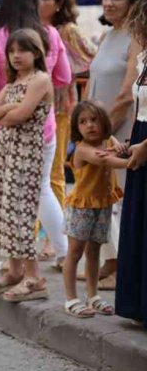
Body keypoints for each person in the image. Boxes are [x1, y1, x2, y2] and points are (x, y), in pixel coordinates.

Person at [0, 0, 71, 269]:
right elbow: (64, 77)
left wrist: (5, 100)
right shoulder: (50, 34)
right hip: (45, 127)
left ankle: (13, 258)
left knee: (10, 191)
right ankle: (63, 252)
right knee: (42, 189)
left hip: (3, 131)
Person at [0, 28, 54, 302]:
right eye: (11, 51)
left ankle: (34, 277)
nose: (16, 56)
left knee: (21, 213)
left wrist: (5, 113)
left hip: (26, 155)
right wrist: (6, 112)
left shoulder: (40, 80)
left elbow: (22, 115)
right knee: (5, 212)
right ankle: (14, 271)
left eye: (22, 50)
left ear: (36, 53)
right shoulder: (13, 83)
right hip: (6, 153)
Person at [86, 0, 142, 290]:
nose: (108, 2)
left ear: (133, 3)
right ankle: (110, 262)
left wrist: (99, 130)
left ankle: (124, 270)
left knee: (119, 199)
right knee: (104, 197)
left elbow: (125, 94)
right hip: (100, 126)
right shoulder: (108, 35)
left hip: (121, 128)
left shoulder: (135, 37)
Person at [36, 0, 97, 211]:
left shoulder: (66, 30)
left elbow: (93, 58)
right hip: (33, 108)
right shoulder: (33, 29)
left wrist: (68, 72)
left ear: (59, 3)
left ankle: (56, 232)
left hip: (59, 107)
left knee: (54, 170)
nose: (38, 2)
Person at [61, 101, 125, 318]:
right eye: (83, 122)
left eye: (94, 120)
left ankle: (93, 295)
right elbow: (107, 159)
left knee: (95, 250)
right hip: (82, 208)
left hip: (102, 204)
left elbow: (116, 148)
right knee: (75, 251)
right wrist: (132, 159)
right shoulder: (82, 149)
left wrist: (121, 147)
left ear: (104, 122)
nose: (89, 125)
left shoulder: (107, 140)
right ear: (76, 128)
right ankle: (71, 298)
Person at [116, 0, 147, 327]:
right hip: (141, 135)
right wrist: (131, 141)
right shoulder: (145, 58)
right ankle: (137, 302)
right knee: (138, 222)